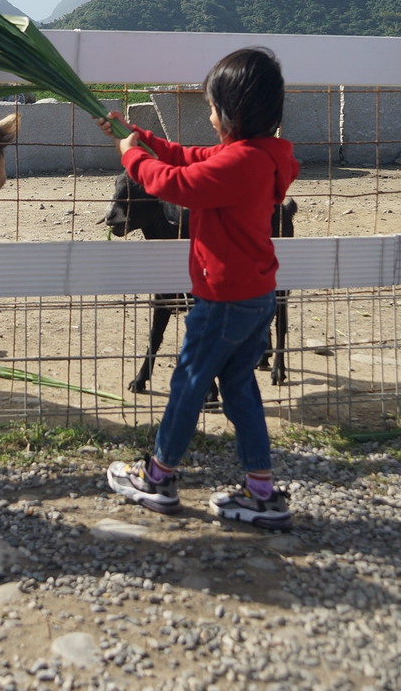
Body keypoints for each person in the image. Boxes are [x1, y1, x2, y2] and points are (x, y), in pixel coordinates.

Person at [98, 47, 299, 530]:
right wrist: (137, 135)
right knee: (238, 386)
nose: (208, 117)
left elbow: (174, 183)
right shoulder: (257, 156)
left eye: (211, 107)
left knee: (187, 384)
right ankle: (260, 491)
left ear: (231, 113)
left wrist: (133, 160)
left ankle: (157, 477)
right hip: (254, 298)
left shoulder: (237, 166)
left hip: (223, 301)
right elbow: (186, 155)